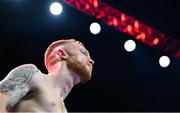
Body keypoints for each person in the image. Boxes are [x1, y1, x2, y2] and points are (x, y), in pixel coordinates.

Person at [0, 39, 94, 112]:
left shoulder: (63, 109)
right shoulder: (33, 74)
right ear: (62, 53)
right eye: (84, 53)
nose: (92, 61)